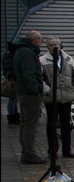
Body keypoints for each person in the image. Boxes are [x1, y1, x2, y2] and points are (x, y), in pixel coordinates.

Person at [40, 36, 74, 160]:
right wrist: (47, 90)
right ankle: (52, 150)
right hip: (51, 97)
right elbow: (40, 78)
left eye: (55, 44)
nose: (54, 47)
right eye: (51, 45)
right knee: (51, 124)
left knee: (66, 124)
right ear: (47, 47)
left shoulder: (68, 59)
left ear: (60, 45)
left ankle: (67, 149)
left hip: (66, 96)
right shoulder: (43, 60)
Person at [14, 29, 45, 164]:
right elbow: (29, 74)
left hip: (23, 92)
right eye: (40, 40)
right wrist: (36, 90)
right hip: (29, 93)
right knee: (30, 124)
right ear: (35, 40)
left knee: (25, 123)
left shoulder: (21, 50)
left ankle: (26, 151)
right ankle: (28, 153)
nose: (41, 43)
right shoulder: (27, 53)